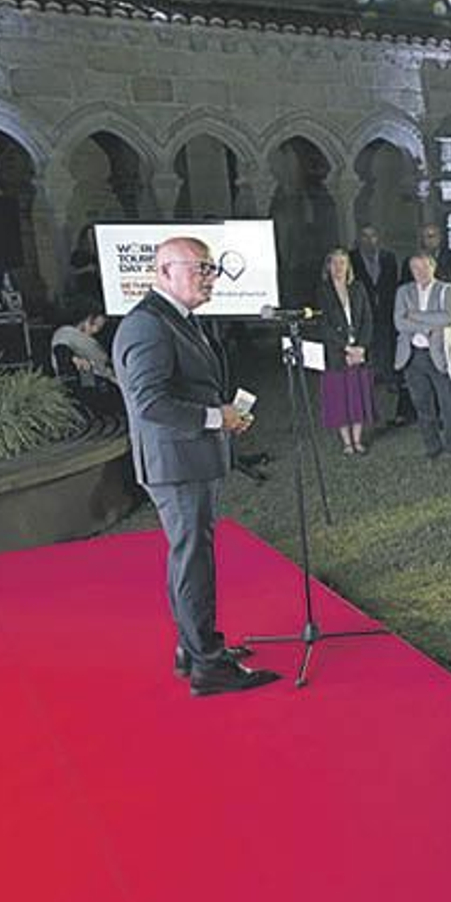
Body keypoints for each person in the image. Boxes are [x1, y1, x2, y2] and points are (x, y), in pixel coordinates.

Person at [111, 236, 279, 696]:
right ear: (163, 272)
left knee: (189, 558)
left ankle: (196, 647)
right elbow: (149, 402)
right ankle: (208, 666)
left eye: (211, 269)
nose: (210, 277)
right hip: (177, 463)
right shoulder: (148, 325)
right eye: (200, 268)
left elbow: (184, 389)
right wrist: (213, 418)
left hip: (188, 457)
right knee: (193, 561)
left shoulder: (175, 319)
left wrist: (222, 417)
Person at [394, 252, 451, 461]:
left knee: (448, 402)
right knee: (422, 403)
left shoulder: (446, 289)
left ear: (433, 267)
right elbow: (399, 322)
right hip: (412, 356)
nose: (420, 272)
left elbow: (448, 317)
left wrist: (414, 315)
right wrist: (427, 328)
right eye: (415, 268)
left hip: (439, 354)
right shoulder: (403, 292)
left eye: (424, 267)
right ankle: (432, 447)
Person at [317, 248, 377, 456]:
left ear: (349, 266)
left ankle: (358, 439)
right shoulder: (323, 291)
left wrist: (361, 347)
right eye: (334, 263)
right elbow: (323, 324)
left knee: (357, 394)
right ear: (328, 266)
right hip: (336, 353)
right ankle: (347, 442)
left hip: (359, 352)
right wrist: (345, 347)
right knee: (339, 397)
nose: (338, 267)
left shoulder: (359, 288)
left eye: (342, 263)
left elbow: (368, 319)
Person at [350, 224, 411, 426]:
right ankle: (367, 406)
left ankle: (390, 408)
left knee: (387, 358)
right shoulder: (352, 259)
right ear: (359, 239)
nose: (369, 240)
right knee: (366, 362)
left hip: (386, 315)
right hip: (362, 318)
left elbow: (393, 286)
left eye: (373, 236)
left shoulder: (388, 258)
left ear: (379, 238)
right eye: (365, 236)